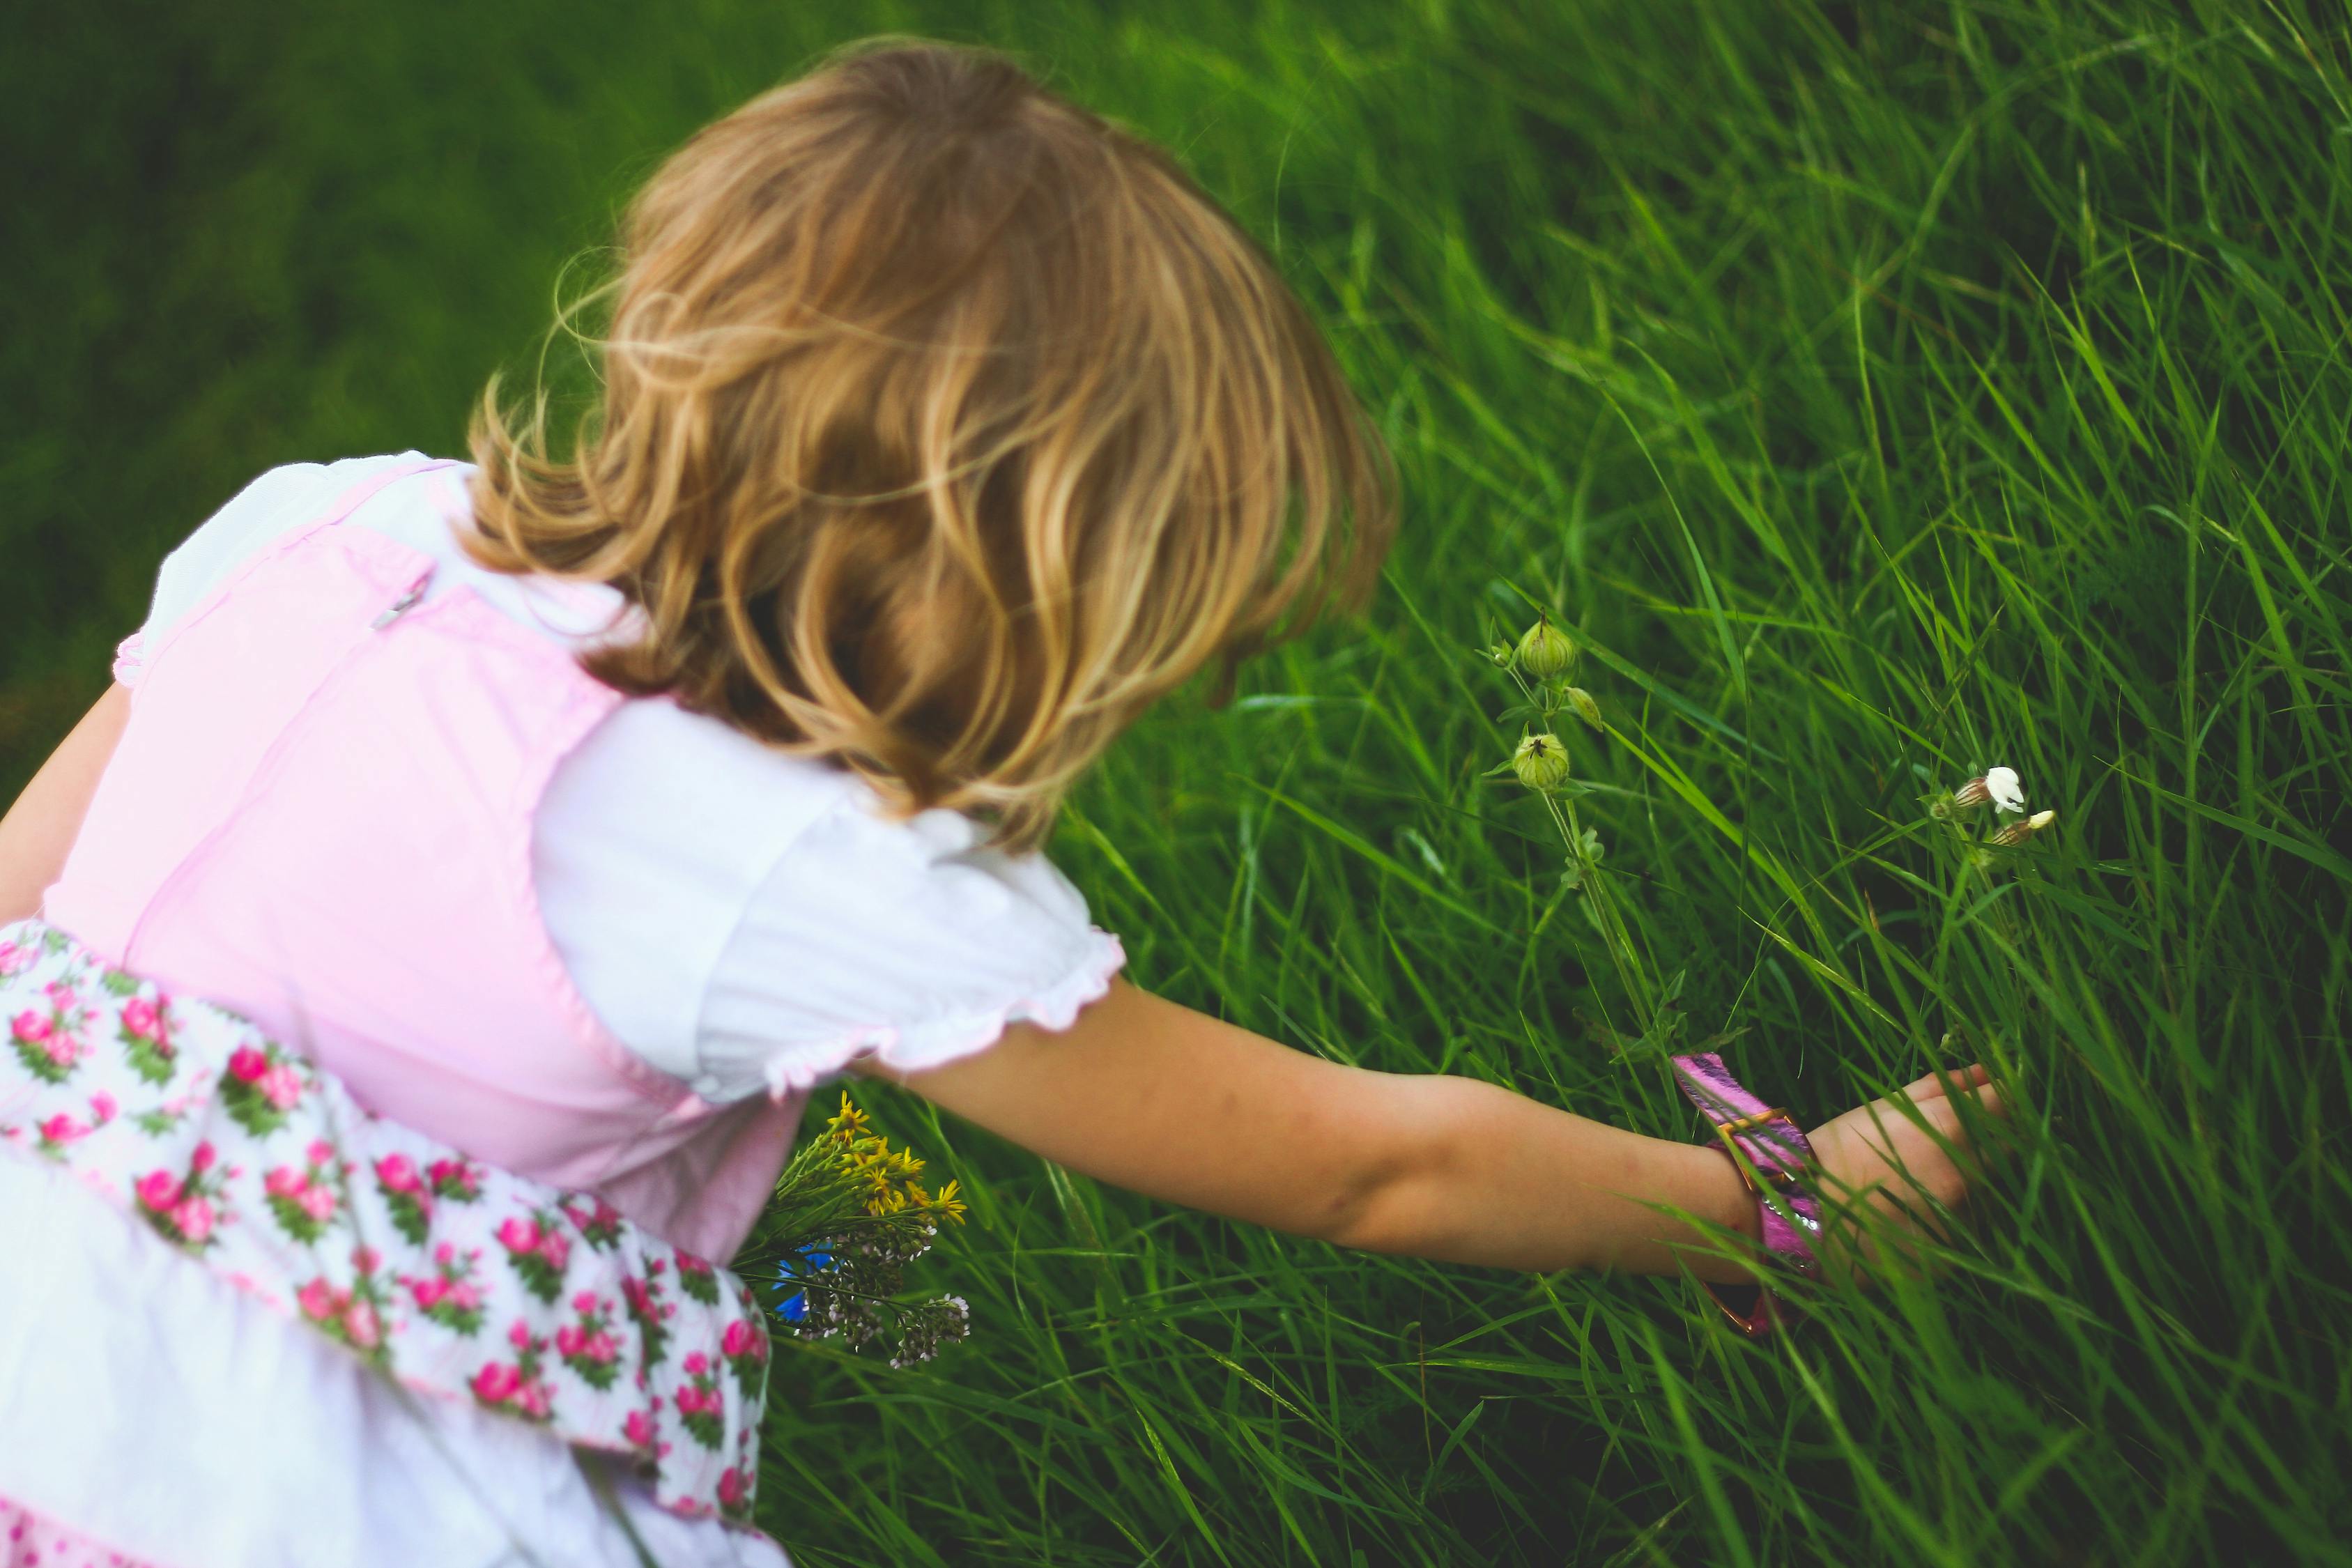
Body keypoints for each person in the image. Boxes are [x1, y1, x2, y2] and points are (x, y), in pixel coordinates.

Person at [0, 38, 2006, 1568]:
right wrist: (1789, 1204)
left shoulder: (330, 525)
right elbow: (1364, 1167)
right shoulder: (803, 851)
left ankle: (864, 1293)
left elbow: (27, 902)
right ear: (1041, 574)